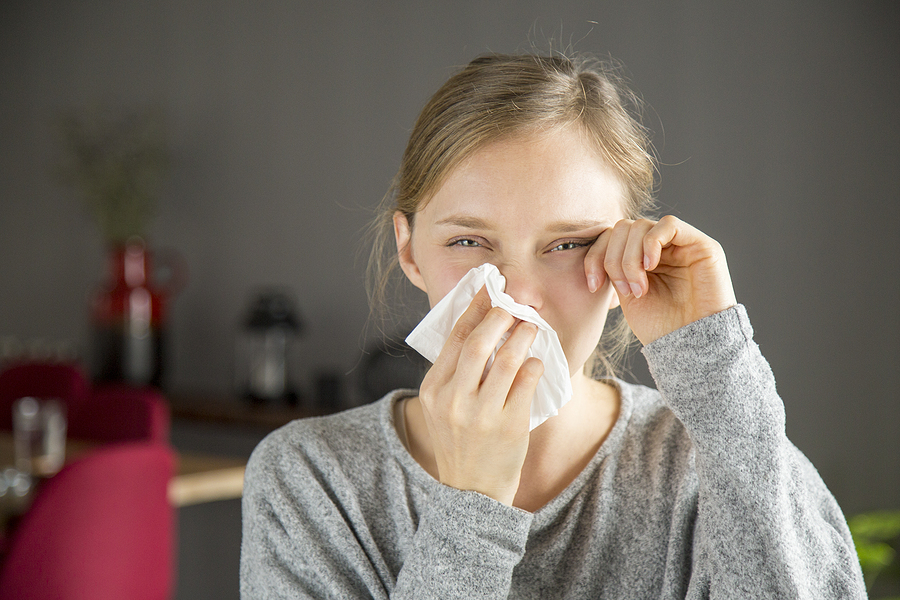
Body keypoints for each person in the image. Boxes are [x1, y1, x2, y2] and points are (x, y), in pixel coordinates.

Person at [240, 53, 866, 599]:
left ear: (630, 256)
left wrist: (717, 372)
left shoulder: (715, 455)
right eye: (467, 240)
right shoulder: (309, 479)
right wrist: (472, 508)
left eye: (567, 245)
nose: (518, 297)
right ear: (409, 252)